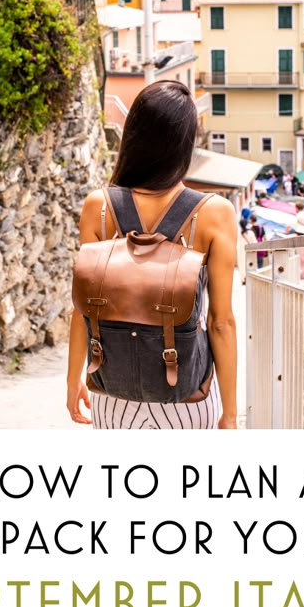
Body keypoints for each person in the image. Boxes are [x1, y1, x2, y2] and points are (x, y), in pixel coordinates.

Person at [67, 80, 238, 430]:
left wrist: (74, 381)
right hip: (187, 397)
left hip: (113, 393)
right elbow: (220, 322)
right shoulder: (214, 213)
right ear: (185, 143)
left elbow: (83, 308)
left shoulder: (98, 207)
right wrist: (230, 415)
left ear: (133, 136)